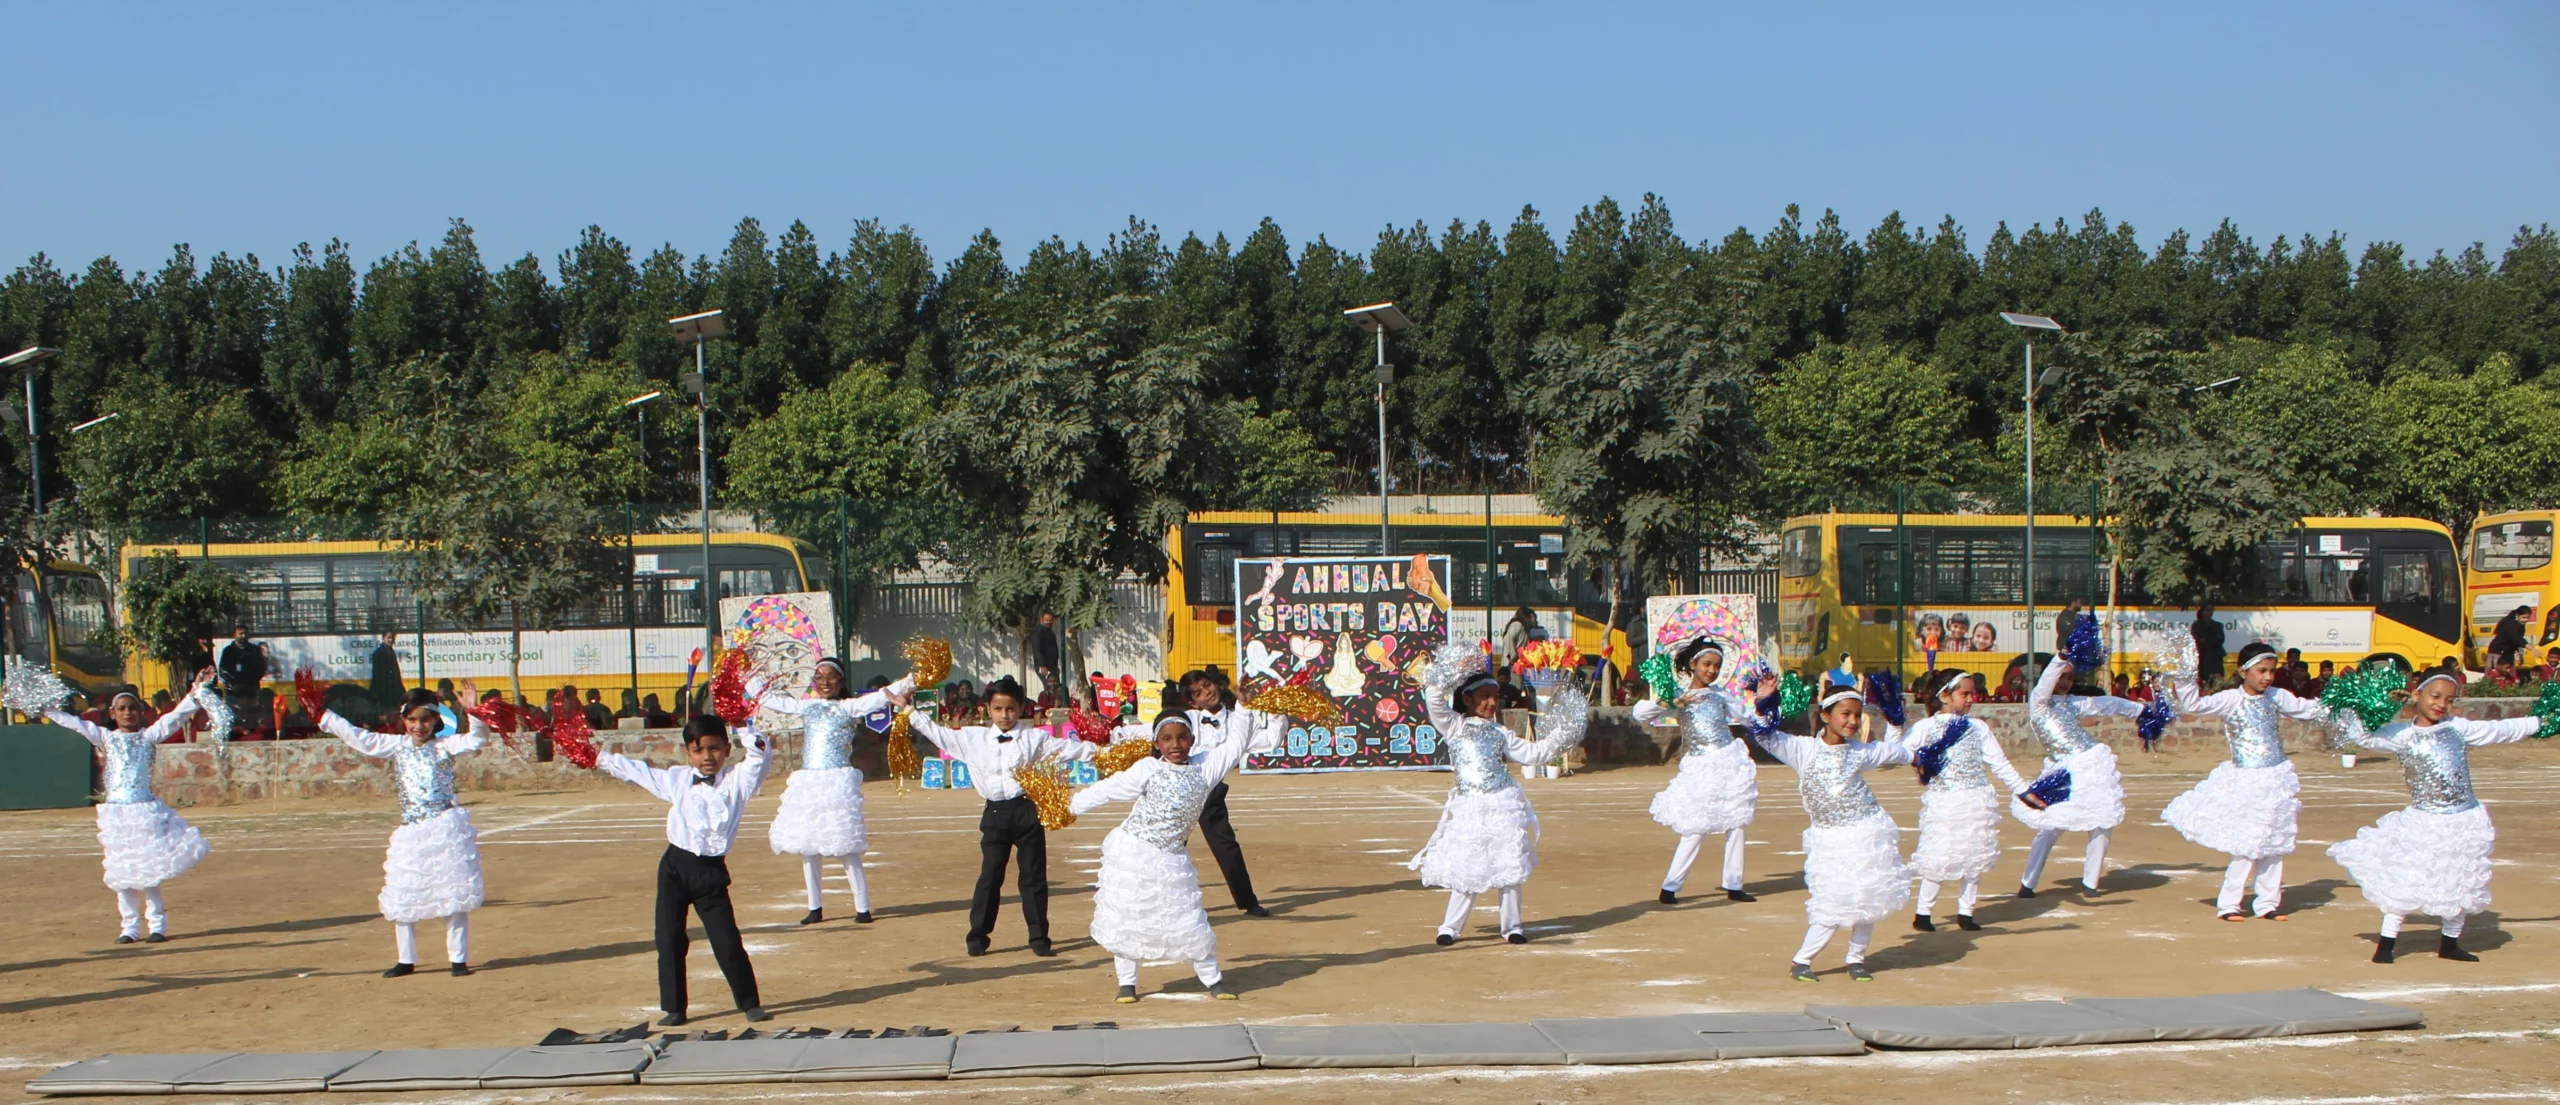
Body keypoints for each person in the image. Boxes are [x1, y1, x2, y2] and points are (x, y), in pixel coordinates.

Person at [2330, 671, 2551, 963]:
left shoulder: (2457, 728)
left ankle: (2450, 943)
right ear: (2417, 694)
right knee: (2409, 878)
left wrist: (2540, 722)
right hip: (2425, 820)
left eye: (2449, 700)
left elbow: (2500, 729)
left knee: (2459, 880)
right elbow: (2361, 735)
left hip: (2464, 819)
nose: (2441, 704)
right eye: (2435, 696)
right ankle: (2386, 944)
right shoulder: (2400, 735)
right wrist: (2362, 702)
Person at [1069, 708, 1284, 1002]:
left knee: (1189, 919)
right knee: (1128, 918)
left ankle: (1213, 979)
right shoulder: (1147, 768)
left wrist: (1245, 709)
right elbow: (1109, 789)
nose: (1175, 744)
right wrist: (1070, 807)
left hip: (1172, 859)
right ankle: (1127, 983)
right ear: (1157, 743)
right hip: (1133, 855)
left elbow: (1235, 743)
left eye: (1182, 738)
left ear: (1192, 739)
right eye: (1167, 739)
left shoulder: (1206, 768)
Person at [587, 712, 773, 1026]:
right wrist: (594, 755)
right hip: (674, 868)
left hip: (711, 874)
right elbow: (637, 771)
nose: (707, 757)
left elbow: (759, 752)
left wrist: (742, 723)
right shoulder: (676, 779)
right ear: (687, 754)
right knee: (669, 939)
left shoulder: (739, 780)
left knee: (726, 940)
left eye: (714, 748)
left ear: (727, 749)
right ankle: (675, 1007)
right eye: (698, 750)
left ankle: (749, 1003)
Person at [894, 675, 1098, 957]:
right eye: (999, 709)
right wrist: (908, 711)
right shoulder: (972, 738)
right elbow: (937, 733)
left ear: (1021, 709)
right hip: (995, 814)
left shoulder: (1034, 738)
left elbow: (1070, 749)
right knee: (990, 876)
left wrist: (1106, 751)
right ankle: (977, 936)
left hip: (1026, 811)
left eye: (1011, 709)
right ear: (987, 710)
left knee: (1033, 878)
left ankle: (1039, 937)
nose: (1005, 715)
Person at [1409, 641, 1590, 946]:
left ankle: (1512, 926)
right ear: (1467, 699)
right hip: (1471, 806)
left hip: (1503, 802)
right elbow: (1434, 699)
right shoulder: (1454, 726)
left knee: (1509, 865)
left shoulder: (1500, 733)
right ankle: (1450, 927)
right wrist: (1451, 670)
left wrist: (1561, 735)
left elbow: (1533, 753)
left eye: (1494, 697)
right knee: (1469, 863)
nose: (1491, 703)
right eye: (1484, 697)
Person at [308, 681, 491, 977]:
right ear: (403, 719)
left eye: (426, 720)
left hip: (444, 829)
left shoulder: (444, 746)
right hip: (412, 832)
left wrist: (474, 712)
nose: (419, 726)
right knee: (405, 892)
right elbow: (359, 738)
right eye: (412, 720)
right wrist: (325, 717)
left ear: (436, 721)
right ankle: (406, 959)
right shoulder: (397, 746)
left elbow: (477, 739)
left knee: (453, 895)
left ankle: (458, 959)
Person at [24, 669, 215, 944]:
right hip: (117, 814)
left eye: (133, 709)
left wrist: (196, 691)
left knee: (149, 870)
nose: (128, 713)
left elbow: (175, 718)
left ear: (140, 712)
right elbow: (75, 723)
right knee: (123, 872)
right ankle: (130, 928)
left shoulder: (149, 736)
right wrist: (47, 709)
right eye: (122, 709)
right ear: (113, 714)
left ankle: (157, 924)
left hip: (144, 812)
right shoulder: (106, 738)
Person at [1746, 681, 1918, 982]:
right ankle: (1803, 960)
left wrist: (1896, 724)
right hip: (1829, 838)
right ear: (1825, 716)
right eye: (1845, 714)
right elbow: (1765, 736)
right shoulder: (1803, 749)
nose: (1852, 721)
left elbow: (1898, 752)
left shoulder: (1859, 752)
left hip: (1867, 830)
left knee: (1868, 897)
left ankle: (1856, 958)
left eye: (1857, 715)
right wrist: (1763, 704)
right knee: (1831, 899)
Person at [2161, 640, 2331, 921]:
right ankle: (2229, 903)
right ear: (2243, 671)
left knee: (2274, 843)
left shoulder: (2276, 696)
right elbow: (2194, 704)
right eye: (2261, 671)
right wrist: (2184, 674)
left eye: (2271, 671)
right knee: (2247, 844)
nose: (2267, 677)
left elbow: (2308, 709)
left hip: (2276, 778)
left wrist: (2348, 702)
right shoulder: (2231, 699)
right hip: (2247, 780)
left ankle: (2267, 903)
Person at [762, 658, 909, 925]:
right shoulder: (807, 706)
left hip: (836, 783)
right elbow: (775, 701)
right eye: (819, 677)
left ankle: (862, 907)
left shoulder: (849, 707)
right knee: (808, 847)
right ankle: (814, 907)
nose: (825, 682)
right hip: (809, 783)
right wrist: (747, 680)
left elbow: (881, 696)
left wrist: (912, 679)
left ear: (841, 681)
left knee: (846, 846)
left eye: (831, 677)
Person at [1897, 670, 2031, 932]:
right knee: (1939, 854)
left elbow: (1999, 763)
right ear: (1944, 696)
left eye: (1973, 693)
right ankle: (1923, 912)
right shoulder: (1925, 727)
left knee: (1974, 857)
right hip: (1944, 802)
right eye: (1965, 693)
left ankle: (1966, 912)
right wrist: (1918, 763)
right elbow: (1901, 753)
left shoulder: (1977, 727)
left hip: (1977, 799)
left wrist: (2024, 790)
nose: (1971, 699)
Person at [1632, 635, 1762, 906]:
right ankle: (1670, 887)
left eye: (1717, 665)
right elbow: (1641, 714)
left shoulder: (1720, 696)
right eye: (1707, 664)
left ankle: (1734, 884)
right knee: (1696, 827)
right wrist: (1669, 704)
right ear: (1693, 664)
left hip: (1729, 761)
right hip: (1702, 767)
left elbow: (1749, 718)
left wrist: (1765, 702)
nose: (1712, 671)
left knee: (1737, 822)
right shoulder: (1679, 695)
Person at [2016, 644, 2141, 896]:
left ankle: (2090, 883)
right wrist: (2061, 658)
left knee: (2102, 821)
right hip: (2061, 771)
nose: (2064, 682)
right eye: (2061, 676)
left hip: (2089, 765)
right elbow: (2046, 682)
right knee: (2050, 826)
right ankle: (2028, 883)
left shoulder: (2073, 703)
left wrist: (2141, 711)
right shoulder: (2039, 702)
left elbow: (2108, 704)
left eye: (2070, 678)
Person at [218, 624, 267, 714]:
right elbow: (222, 670)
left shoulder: (254, 650)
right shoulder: (228, 651)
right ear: (234, 635)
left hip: (250, 690)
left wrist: (251, 682)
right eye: (240, 634)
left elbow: (261, 668)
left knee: (252, 716)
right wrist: (232, 684)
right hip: (233, 692)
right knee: (232, 716)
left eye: (245, 633)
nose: (243, 636)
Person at [369, 632, 406, 724]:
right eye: (388, 638)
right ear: (383, 638)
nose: (391, 640)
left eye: (392, 638)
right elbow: (377, 675)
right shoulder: (379, 653)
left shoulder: (390, 651)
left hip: (392, 689)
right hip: (383, 690)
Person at [1032, 612, 1064, 703]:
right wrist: (1042, 665)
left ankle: (1056, 705)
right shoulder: (1038, 632)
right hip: (1044, 665)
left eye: (1050, 621)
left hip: (1052, 665)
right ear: (1041, 620)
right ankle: (1048, 706)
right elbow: (1037, 650)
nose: (1048, 622)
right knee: (1049, 687)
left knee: (1056, 687)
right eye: (1046, 620)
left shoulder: (1050, 631)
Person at [2191, 605, 2225, 687]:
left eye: (2211, 610)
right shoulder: (2197, 625)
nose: (2209, 612)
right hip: (2203, 656)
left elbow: (2221, 639)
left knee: (2217, 680)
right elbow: (2198, 640)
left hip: (2216, 656)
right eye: (2207, 610)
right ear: (2202, 612)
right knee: (2205, 680)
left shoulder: (2218, 625)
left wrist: (2207, 640)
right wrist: (2211, 639)